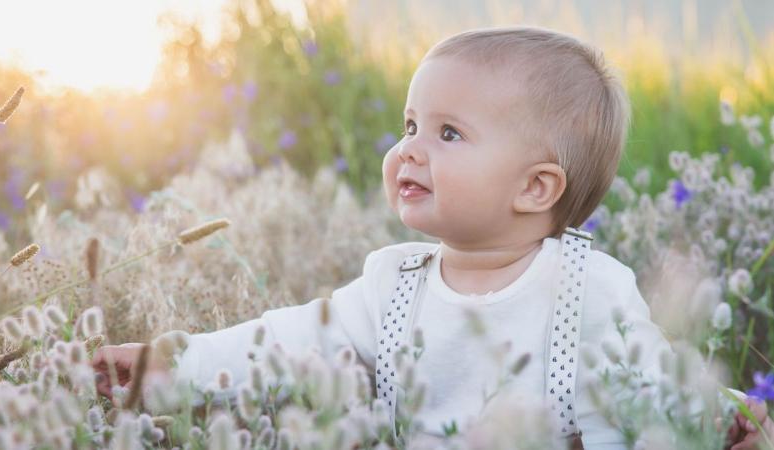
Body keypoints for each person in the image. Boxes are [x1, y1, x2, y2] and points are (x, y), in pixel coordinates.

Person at [93, 26, 770, 448]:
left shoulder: (587, 287)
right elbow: (286, 339)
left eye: (448, 133)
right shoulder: (393, 284)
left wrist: (725, 419)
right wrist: (166, 362)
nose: (409, 149)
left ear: (534, 189)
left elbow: (652, 379)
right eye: (409, 125)